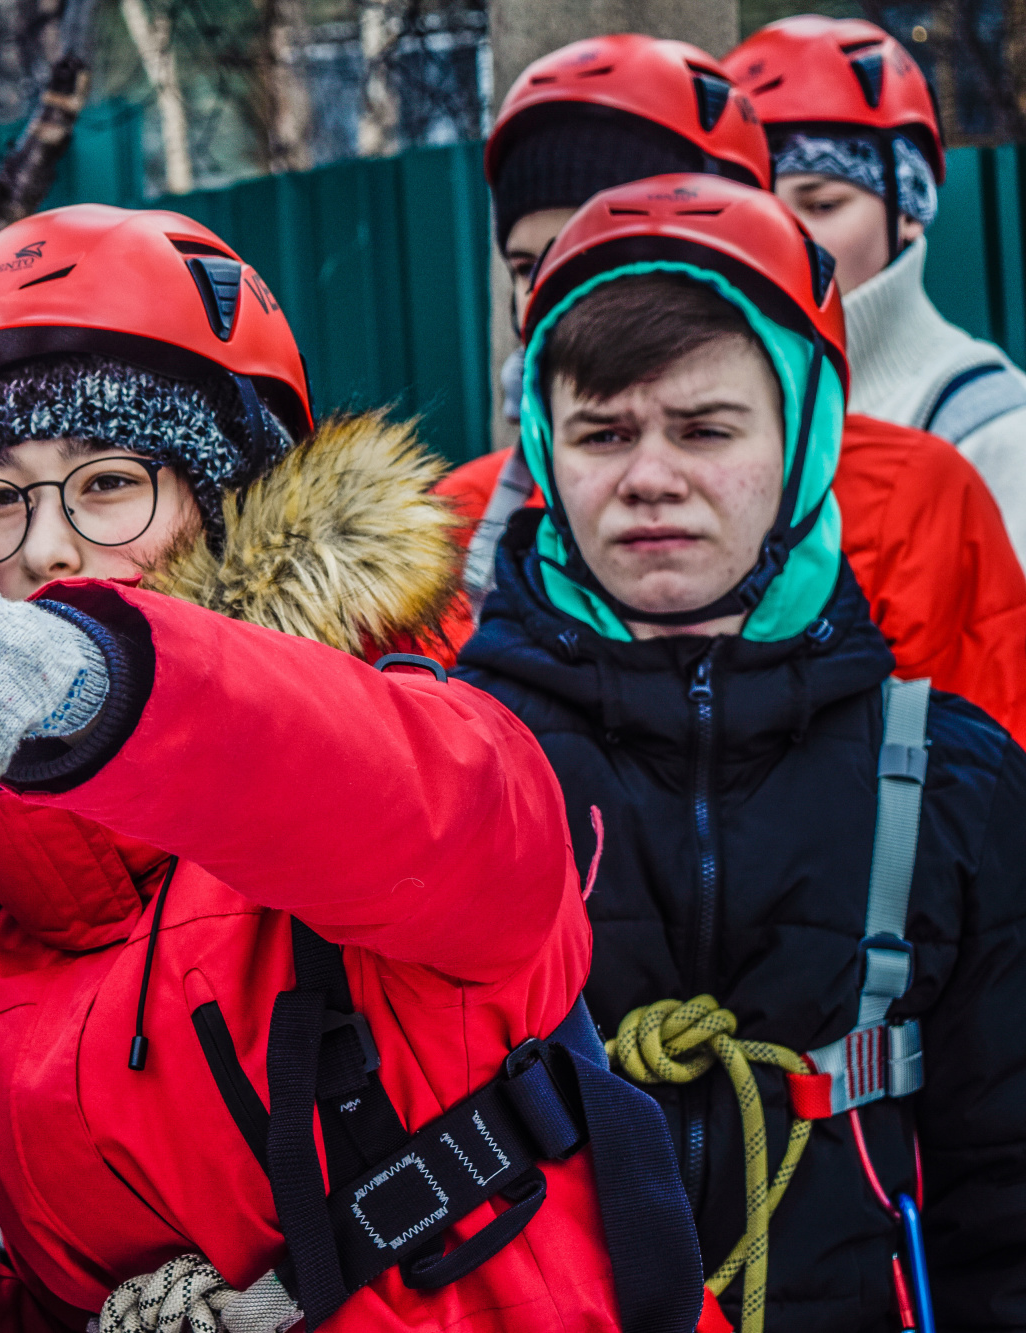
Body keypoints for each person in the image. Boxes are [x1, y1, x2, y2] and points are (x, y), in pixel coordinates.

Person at [0, 204, 714, 1333]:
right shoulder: (22, 926)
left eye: (106, 482)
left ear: (230, 504)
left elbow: (471, 832)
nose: (44, 548)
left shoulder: (408, 738)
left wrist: (103, 686)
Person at [453, 174, 1026, 1333]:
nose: (648, 476)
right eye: (601, 433)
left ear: (806, 434)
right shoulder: (449, 762)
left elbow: (1005, 1187)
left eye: (705, 429)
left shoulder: (945, 779)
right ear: (541, 450)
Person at [442, 33, 1026, 745]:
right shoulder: (456, 531)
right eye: (530, 264)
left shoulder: (913, 497)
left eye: (602, 251)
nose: (560, 293)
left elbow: (976, 793)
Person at [728, 14, 1026, 559]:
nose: (781, 236)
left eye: (821, 205)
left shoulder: (992, 429)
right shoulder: (695, 415)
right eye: (751, 211)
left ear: (910, 211)